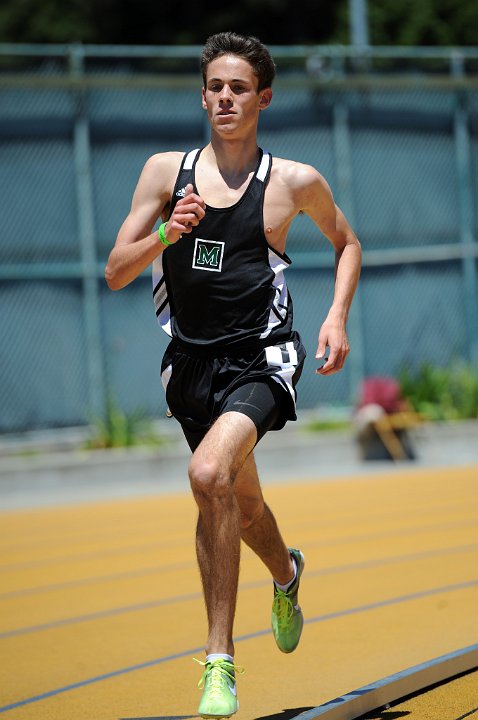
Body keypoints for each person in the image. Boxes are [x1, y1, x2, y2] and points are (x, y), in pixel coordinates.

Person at [105, 31, 361, 719]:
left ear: (263, 98)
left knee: (207, 476)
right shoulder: (165, 173)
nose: (225, 97)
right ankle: (287, 572)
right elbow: (116, 271)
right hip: (189, 365)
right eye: (215, 86)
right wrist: (166, 232)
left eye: (239, 87)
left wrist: (336, 317)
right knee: (241, 507)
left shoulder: (292, 181)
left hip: (263, 357)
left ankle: (219, 663)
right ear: (202, 95)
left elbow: (347, 243)